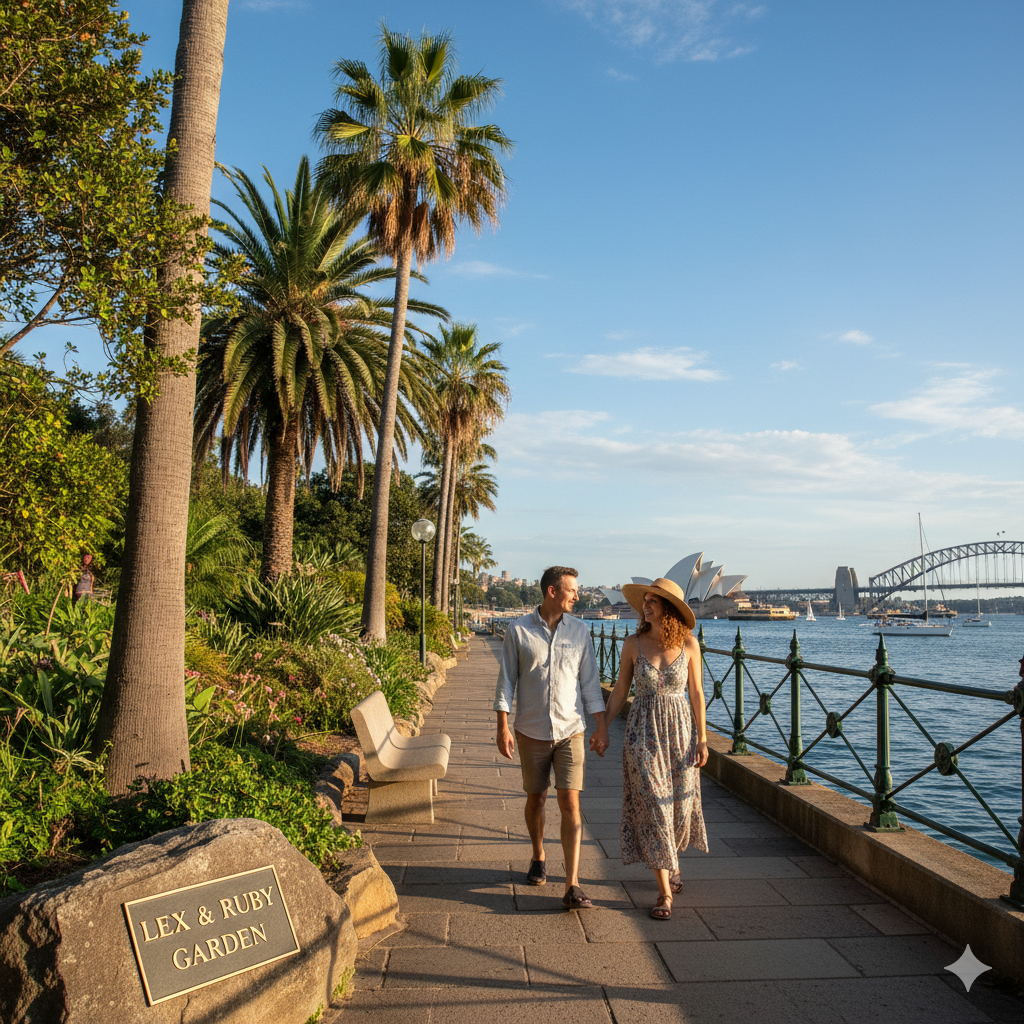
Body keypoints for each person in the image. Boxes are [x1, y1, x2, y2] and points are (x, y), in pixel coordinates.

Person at [493, 565, 609, 909]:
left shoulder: (581, 631)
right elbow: (506, 683)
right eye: (572, 590)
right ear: (552, 592)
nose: (577, 595)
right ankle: (538, 855)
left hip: (571, 729)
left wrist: (601, 725)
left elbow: (589, 682)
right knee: (536, 799)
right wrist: (502, 726)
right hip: (531, 730)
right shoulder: (518, 631)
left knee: (571, 802)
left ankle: (573, 883)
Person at [604, 577, 709, 920]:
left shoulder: (690, 645)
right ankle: (665, 893)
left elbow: (696, 693)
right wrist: (603, 725)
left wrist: (703, 738)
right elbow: (620, 690)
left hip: (680, 733)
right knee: (652, 805)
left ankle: (671, 861)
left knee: (678, 806)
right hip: (642, 733)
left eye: (653, 601)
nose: (645, 606)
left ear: (670, 609)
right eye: (644, 601)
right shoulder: (633, 644)